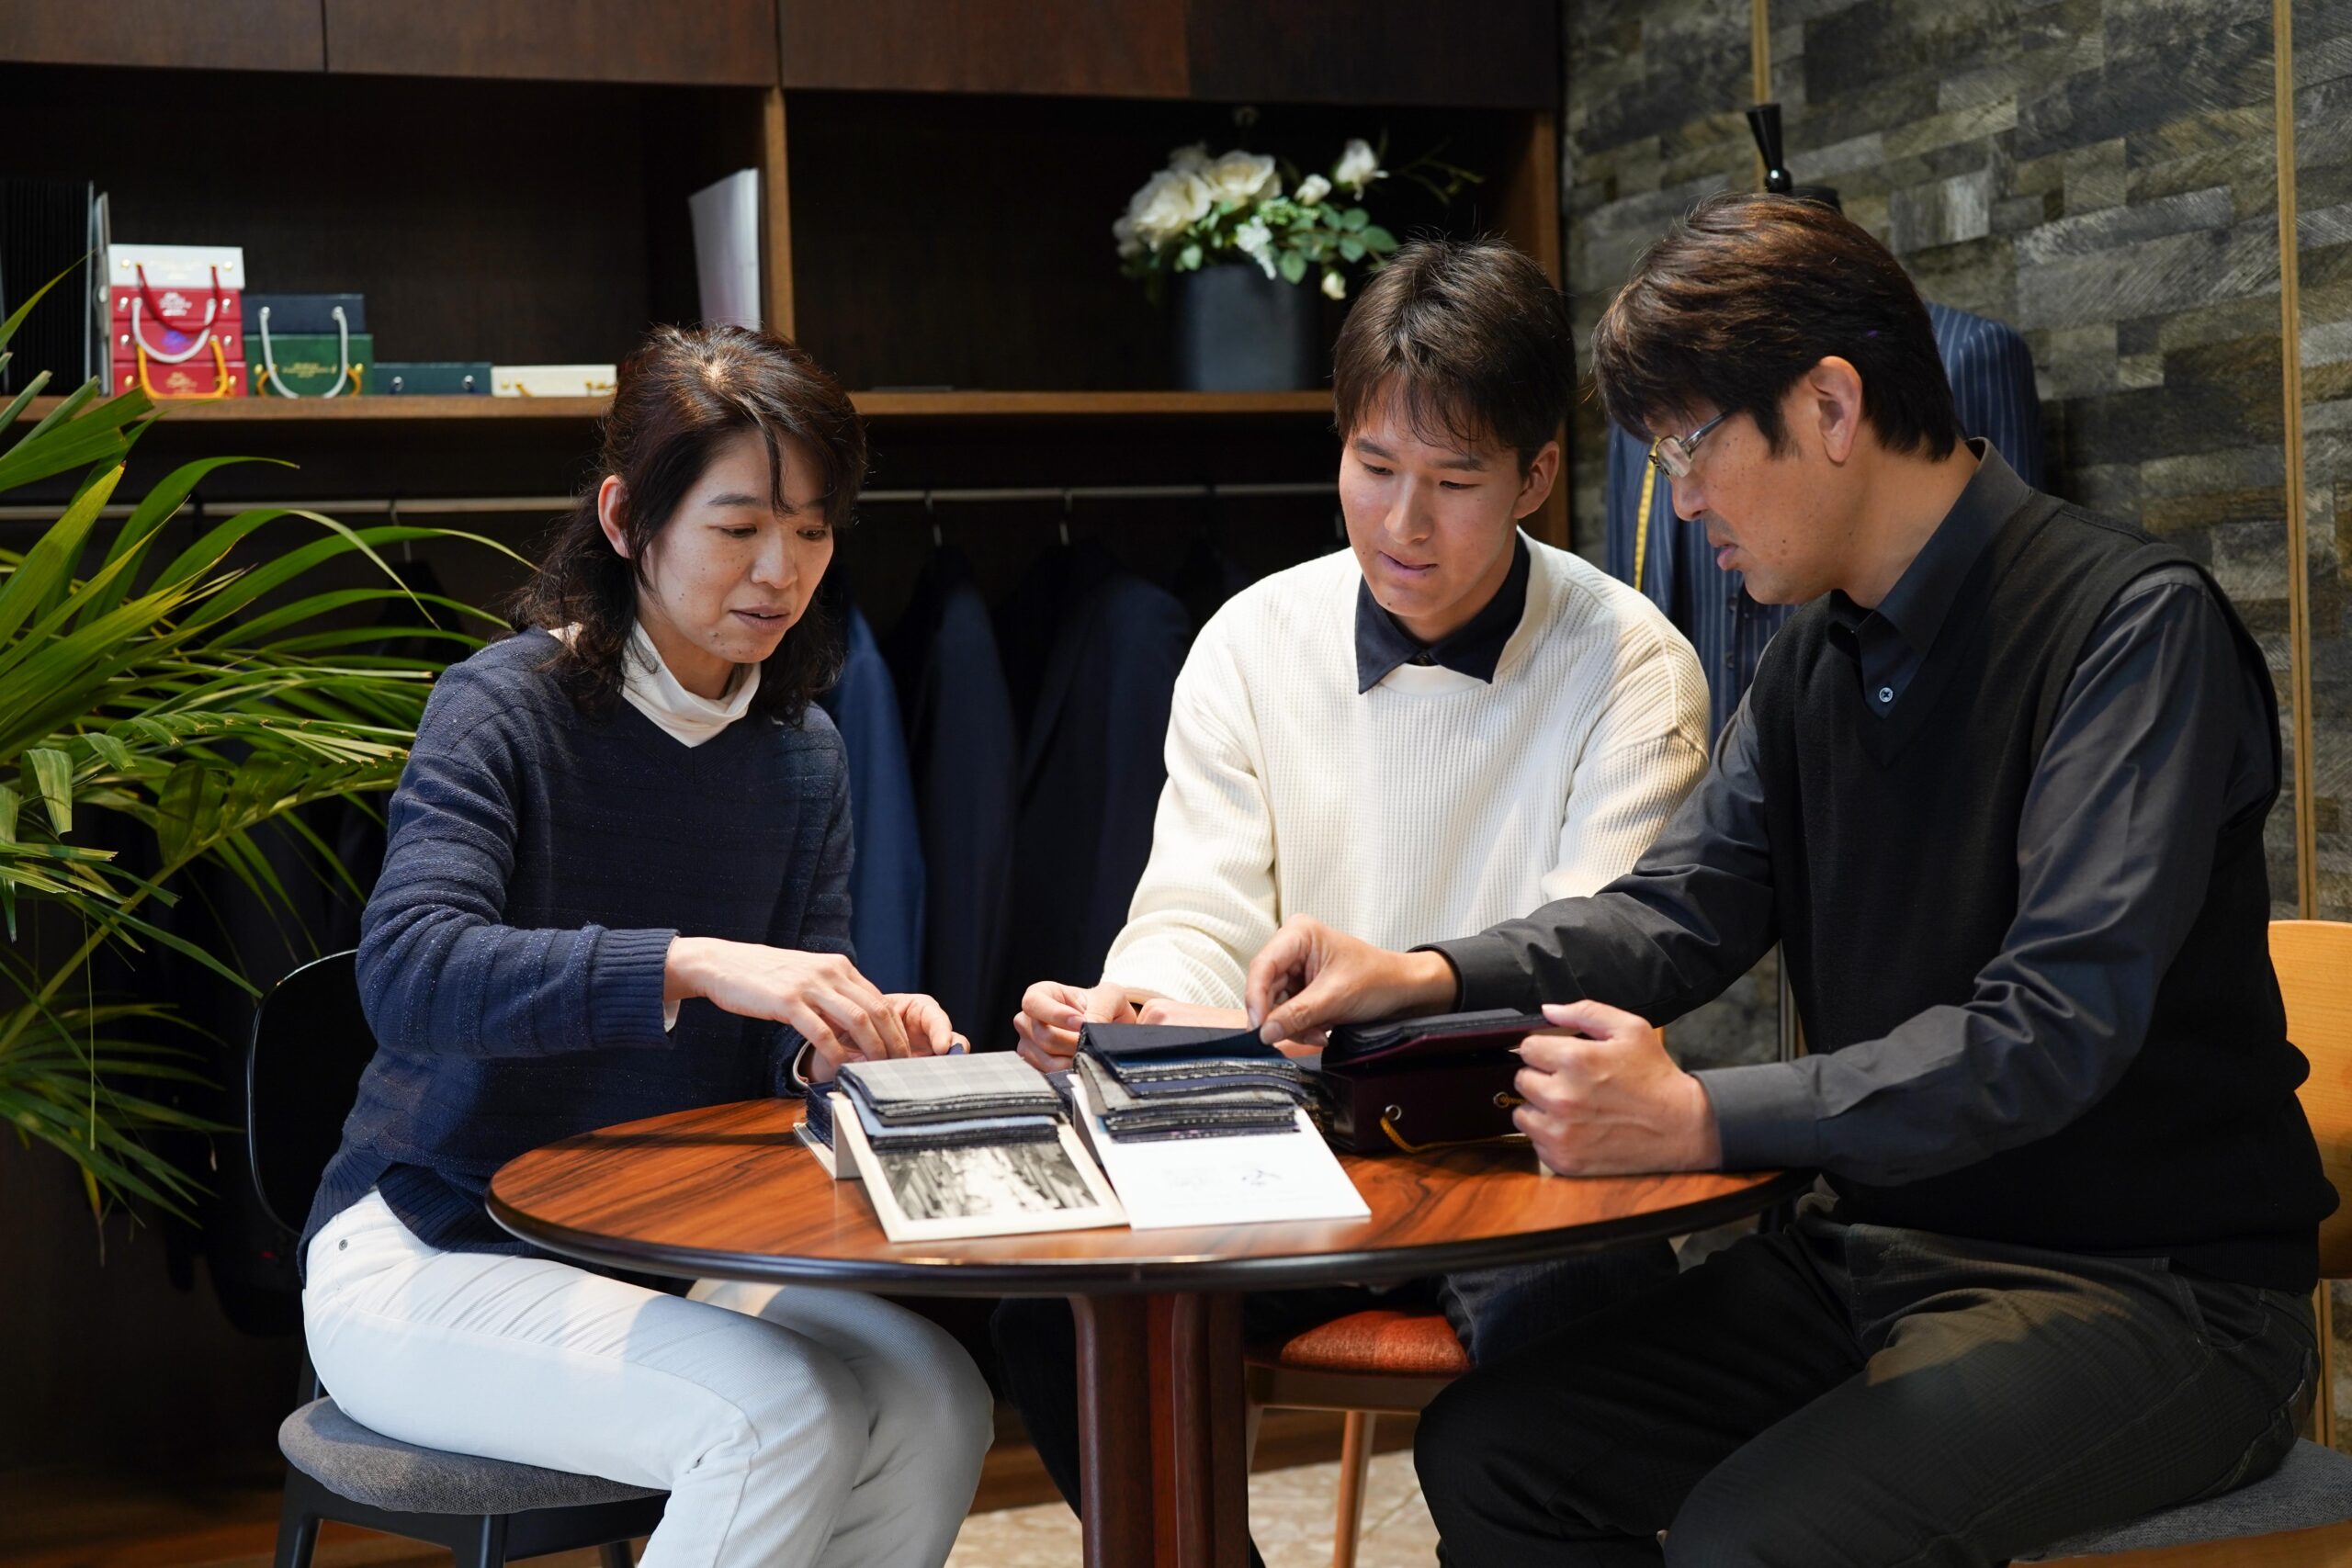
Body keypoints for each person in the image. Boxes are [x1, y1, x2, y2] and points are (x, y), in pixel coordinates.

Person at [1243, 192, 2335, 1566]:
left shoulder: (2130, 629)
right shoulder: (1815, 655)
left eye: (1691, 446)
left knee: (1752, 1537)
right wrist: (1424, 973)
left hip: (2153, 1295)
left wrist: (1700, 1115)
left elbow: (2050, 1031)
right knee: (1496, 1450)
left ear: (1828, 406)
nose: (1683, 497)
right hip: (1879, 1254)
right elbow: (1676, 911)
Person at [995, 237, 1713, 1520]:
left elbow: (1602, 960)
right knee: (1056, 1313)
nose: (1402, 522)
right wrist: (1136, 1005)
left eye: (1454, 481)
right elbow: (1198, 907)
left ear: (1537, 475)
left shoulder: (1631, 667)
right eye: (1374, 468)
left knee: (1571, 1344)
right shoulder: (1253, 639)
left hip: (1519, 1165)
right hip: (1284, 1156)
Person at [300, 325, 994, 1568]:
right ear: (628, 521)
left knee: (939, 1400)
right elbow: (408, 973)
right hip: (423, 1247)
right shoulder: (500, 707)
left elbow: (775, 1053)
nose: (781, 570)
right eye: (740, 528)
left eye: (813, 531)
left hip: (658, 1253)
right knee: (775, 1417)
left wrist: (838, 1049)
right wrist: (690, 960)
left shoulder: (803, 753)